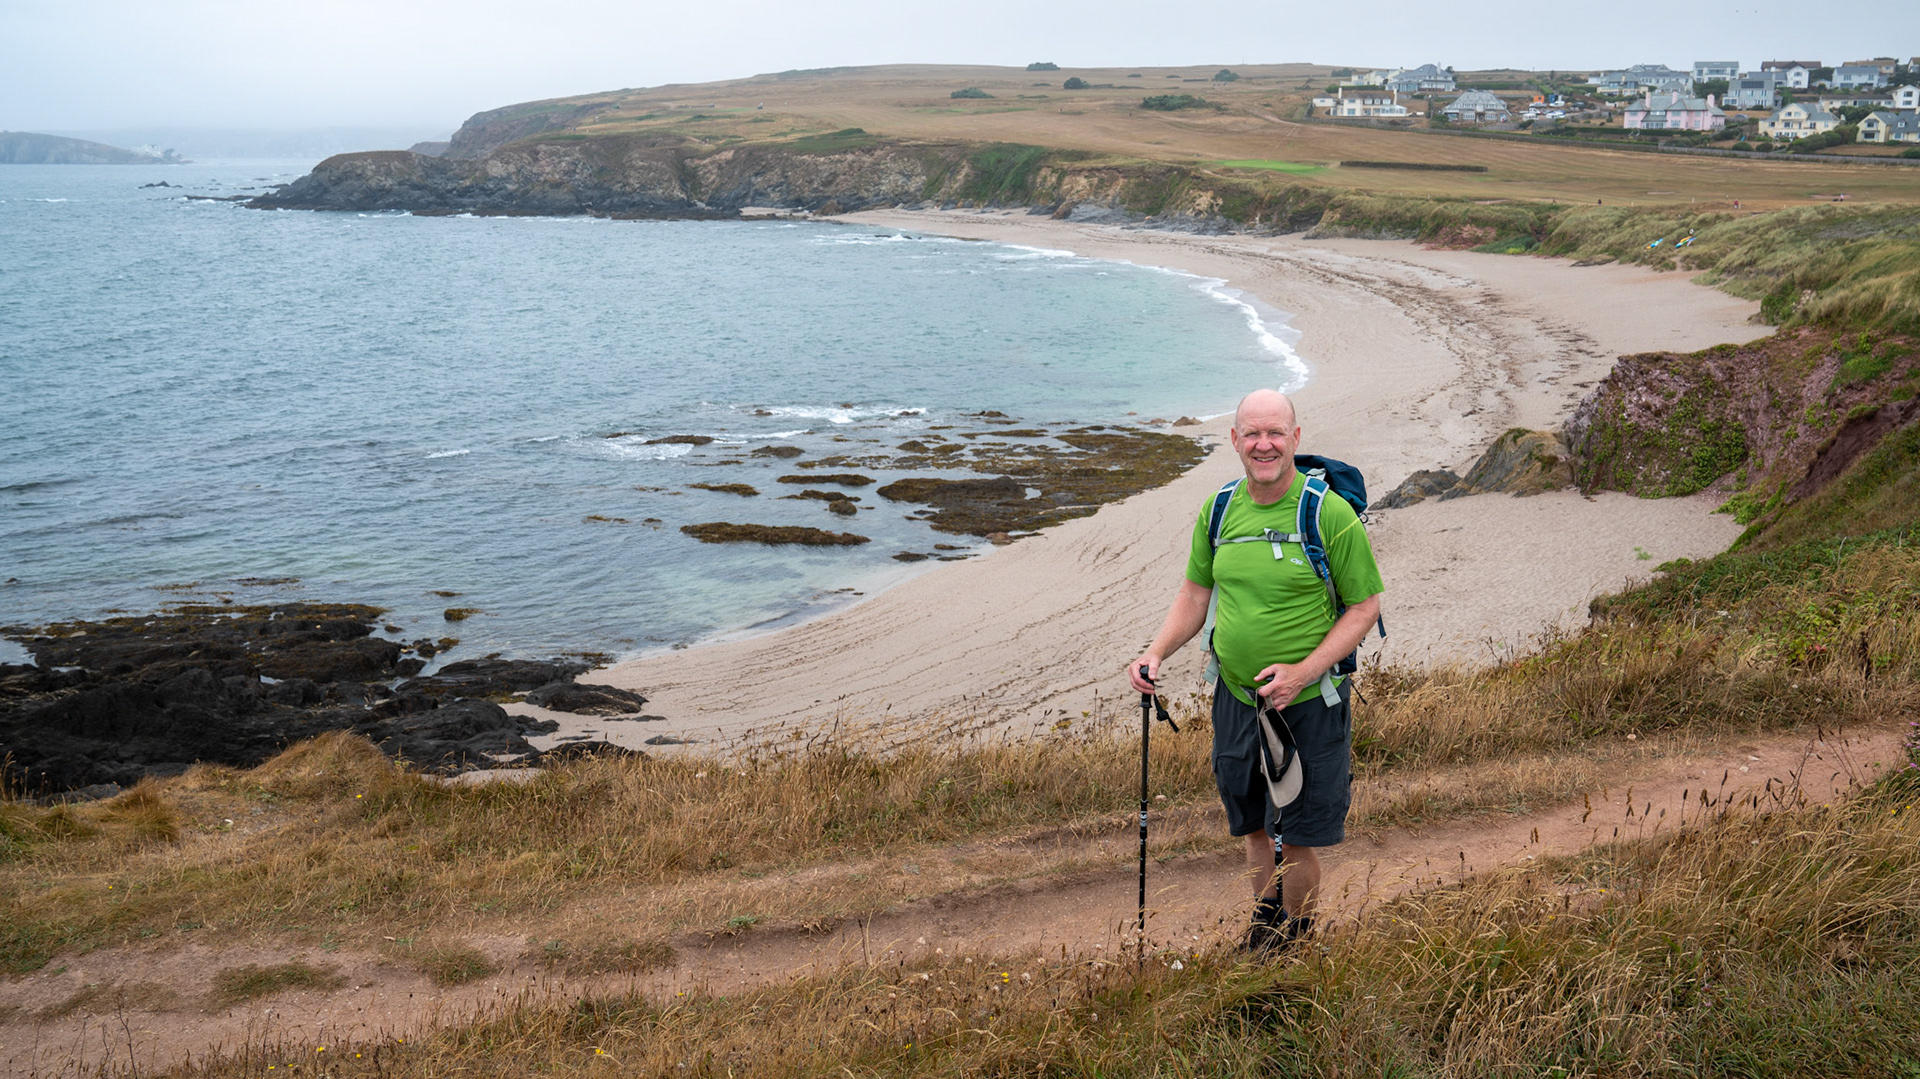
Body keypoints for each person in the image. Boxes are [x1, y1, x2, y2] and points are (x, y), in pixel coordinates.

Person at [1127, 389, 1384, 953]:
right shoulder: (1219, 509)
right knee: (1250, 827)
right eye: (1251, 434)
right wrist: (1156, 652)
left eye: (1274, 433)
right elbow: (1196, 594)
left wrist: (1303, 671)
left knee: (1296, 835)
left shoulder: (1327, 514)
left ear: (1295, 438)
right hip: (1236, 698)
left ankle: (1297, 936)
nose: (1263, 444)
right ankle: (1265, 927)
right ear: (1236, 441)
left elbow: (1366, 607)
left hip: (1308, 703)